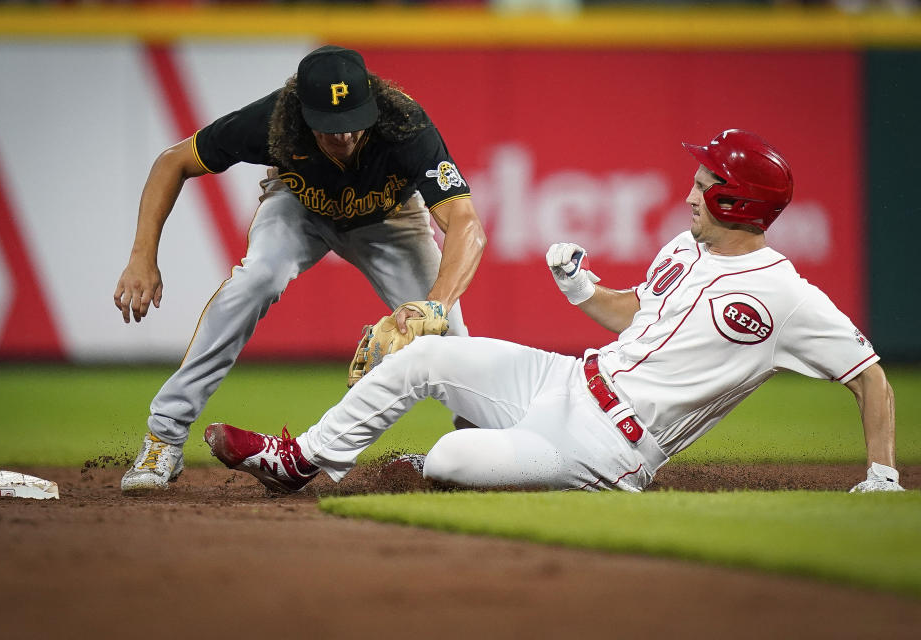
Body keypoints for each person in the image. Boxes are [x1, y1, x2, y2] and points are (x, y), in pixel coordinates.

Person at [202, 129, 905, 494]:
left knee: (446, 457)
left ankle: (442, 470)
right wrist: (580, 288)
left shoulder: (786, 296)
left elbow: (869, 376)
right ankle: (298, 460)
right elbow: (635, 318)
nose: (691, 193)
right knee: (426, 355)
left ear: (736, 202)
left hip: (612, 448)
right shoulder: (685, 248)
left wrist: (881, 474)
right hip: (568, 380)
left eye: (705, 184)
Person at [116, 45, 486, 491]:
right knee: (258, 278)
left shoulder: (404, 124)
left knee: (453, 339)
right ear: (303, 114)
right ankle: (164, 437)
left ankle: (479, 450)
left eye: (354, 122)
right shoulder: (274, 120)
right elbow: (172, 162)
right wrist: (142, 255)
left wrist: (435, 306)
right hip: (299, 210)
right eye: (332, 129)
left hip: (390, 221)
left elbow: (466, 224)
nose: (345, 137)